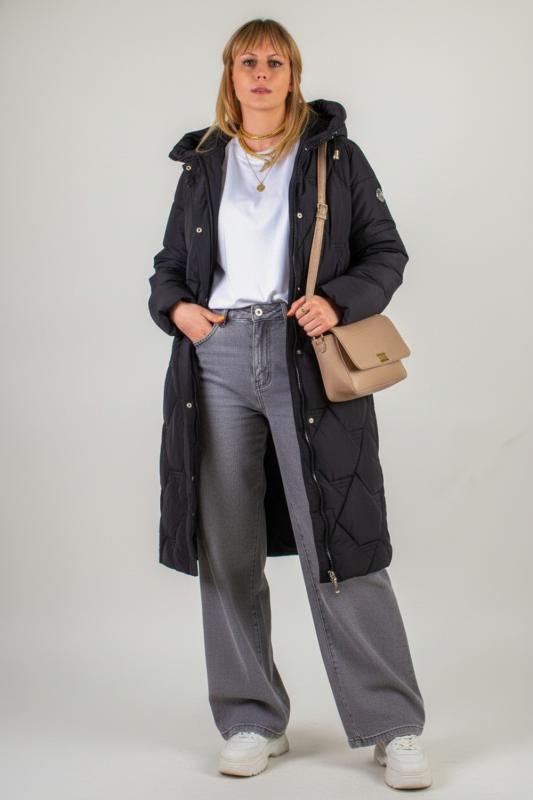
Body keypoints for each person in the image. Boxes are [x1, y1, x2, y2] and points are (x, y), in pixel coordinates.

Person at [148, 18, 432, 790]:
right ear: (230, 75)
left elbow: (385, 252)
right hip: (216, 358)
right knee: (226, 544)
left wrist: (336, 301)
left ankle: (393, 727)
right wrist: (177, 309)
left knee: (340, 540)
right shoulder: (203, 163)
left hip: (305, 354)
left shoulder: (334, 155)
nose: (262, 73)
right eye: (248, 61)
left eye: (275, 61)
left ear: (293, 74)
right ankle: (250, 718)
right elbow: (170, 263)